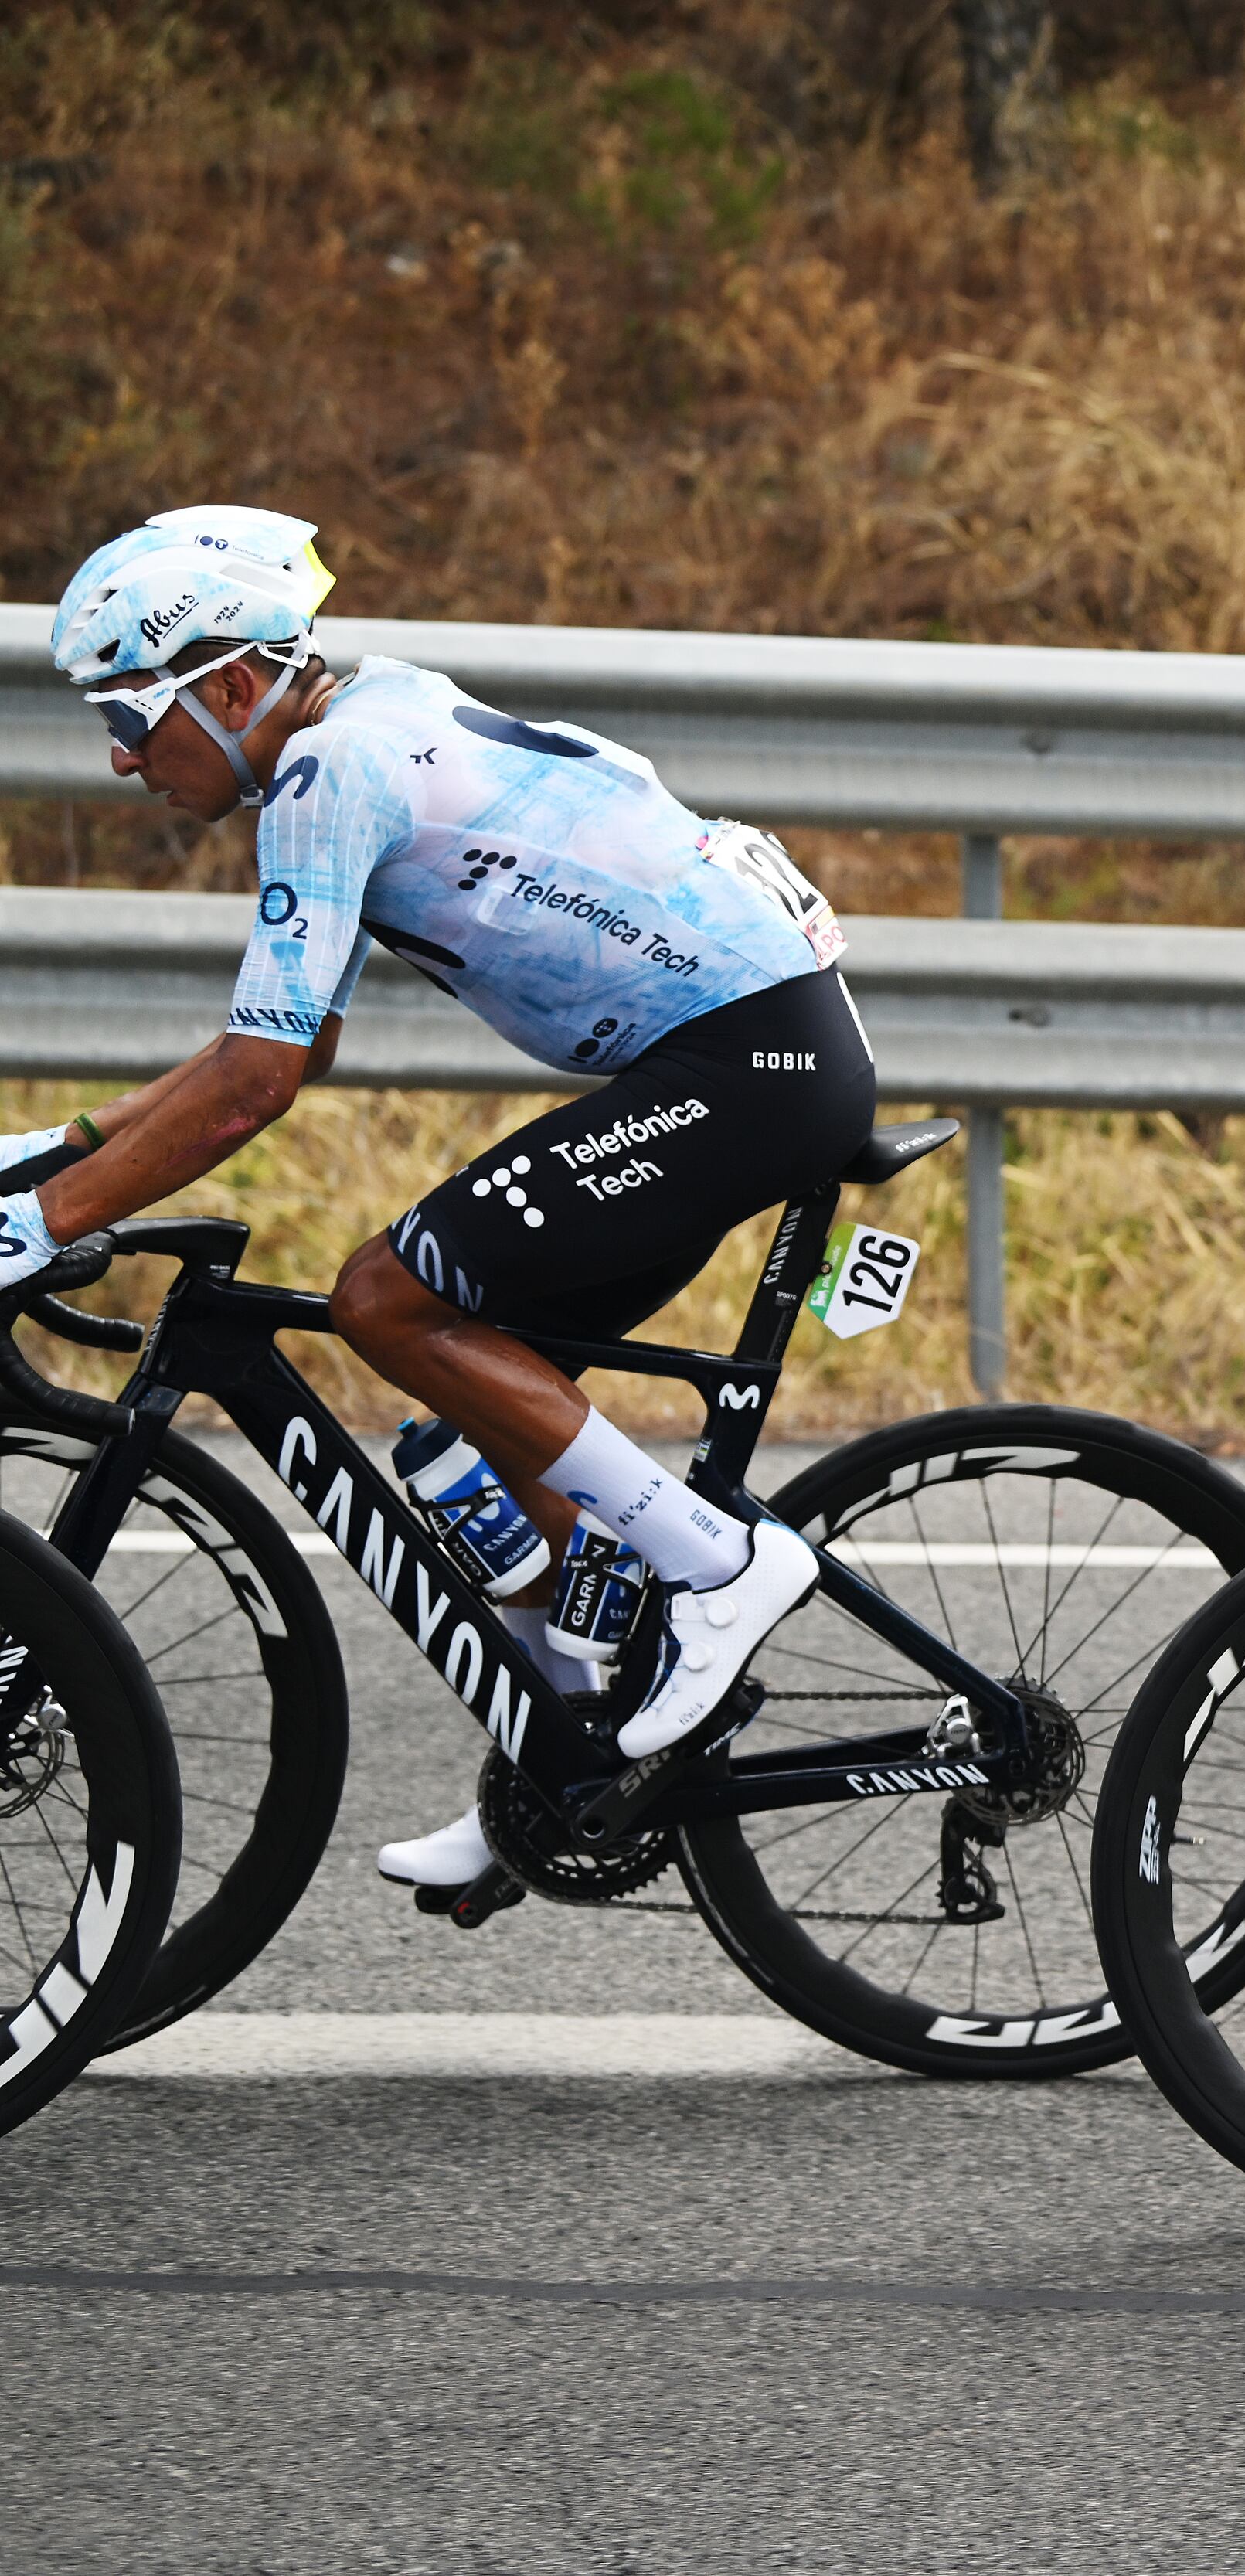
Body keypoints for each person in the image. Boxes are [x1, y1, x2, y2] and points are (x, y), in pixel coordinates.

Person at [25, 508, 878, 1894]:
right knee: (475, 1408)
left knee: (387, 1296)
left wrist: (41, 1225)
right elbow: (288, 1041)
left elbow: (255, 1086)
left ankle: (717, 1567)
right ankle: (565, 1755)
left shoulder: (327, 777)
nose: (122, 759)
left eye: (132, 717)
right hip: (750, 1050)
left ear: (232, 688)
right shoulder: (361, 723)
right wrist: (58, 1146)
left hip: (751, 1061)